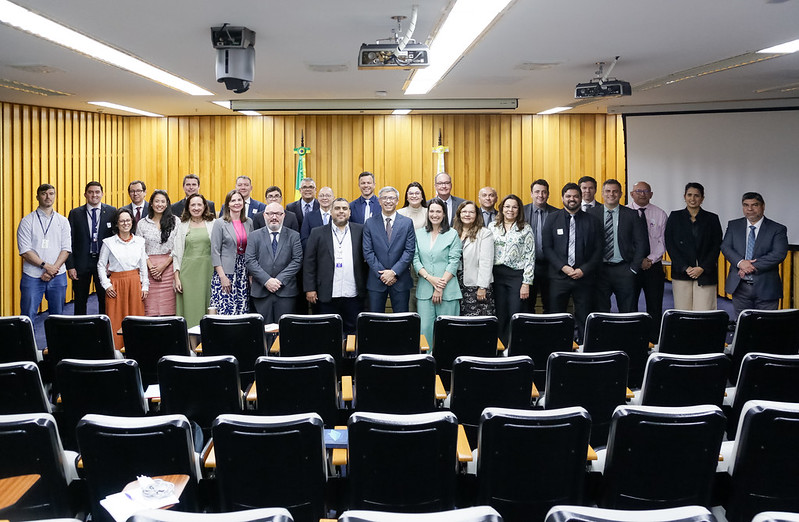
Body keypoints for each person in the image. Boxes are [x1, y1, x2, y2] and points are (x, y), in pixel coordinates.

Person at [542, 183, 603, 343]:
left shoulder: (593, 221)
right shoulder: (552, 218)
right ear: (562, 198)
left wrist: (584, 270)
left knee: (584, 315)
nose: (572, 199)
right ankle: (558, 344)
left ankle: (583, 347)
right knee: (557, 315)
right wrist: (564, 268)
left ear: (581, 198)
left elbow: (598, 250)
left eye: (576, 196)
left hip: (584, 277)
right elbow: (547, 248)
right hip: (559, 277)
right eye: (568, 196)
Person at [303, 198, 366, 335]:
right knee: (327, 333)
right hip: (326, 294)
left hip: (353, 294)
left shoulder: (360, 231)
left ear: (349, 212)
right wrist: (310, 288)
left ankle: (350, 357)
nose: (341, 211)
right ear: (331, 212)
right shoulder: (317, 232)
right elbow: (309, 262)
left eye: (344, 208)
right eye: (337, 208)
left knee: (353, 333)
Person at [721, 192, 788, 318]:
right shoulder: (734, 225)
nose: (750, 209)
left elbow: (778, 254)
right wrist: (741, 263)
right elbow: (725, 247)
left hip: (766, 288)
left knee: (766, 328)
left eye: (754, 205)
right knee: (742, 326)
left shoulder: (777, 229)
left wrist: (749, 266)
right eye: (746, 205)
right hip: (740, 287)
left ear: (763, 206)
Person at [588, 179, 649, 313]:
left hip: (624, 270)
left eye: (615, 191)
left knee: (628, 310)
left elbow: (641, 243)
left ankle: (627, 334)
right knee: (600, 310)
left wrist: (633, 268)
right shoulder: (591, 214)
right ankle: (603, 335)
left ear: (621, 194)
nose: (611, 194)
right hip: (600, 270)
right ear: (602, 194)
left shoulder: (632, 215)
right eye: (608, 191)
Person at [17, 183, 71, 324]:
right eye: (44, 194)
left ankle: (55, 346)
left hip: (57, 276)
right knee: (28, 316)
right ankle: (29, 346)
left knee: (58, 317)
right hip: (32, 275)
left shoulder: (63, 221)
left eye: (51, 193)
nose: (48, 197)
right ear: (37, 197)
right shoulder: (27, 221)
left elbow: (66, 249)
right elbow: (25, 251)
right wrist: (47, 267)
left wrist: (53, 270)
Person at [664, 182, 723, 311]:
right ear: (684, 196)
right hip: (682, 272)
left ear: (702, 198)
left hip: (705, 272)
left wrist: (702, 268)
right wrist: (685, 267)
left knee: (705, 310)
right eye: (689, 195)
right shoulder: (675, 217)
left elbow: (716, 246)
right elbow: (670, 245)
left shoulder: (712, 218)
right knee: (682, 310)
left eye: (697, 195)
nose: (693, 198)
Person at [97, 208, 149, 350]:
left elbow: (143, 266)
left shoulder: (140, 241)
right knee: (115, 319)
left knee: (136, 319)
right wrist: (106, 285)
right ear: (117, 224)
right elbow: (101, 265)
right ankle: (117, 352)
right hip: (116, 285)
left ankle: (137, 350)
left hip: (134, 283)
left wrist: (145, 286)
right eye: (122, 221)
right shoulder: (108, 242)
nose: (125, 223)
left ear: (132, 222)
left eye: (128, 220)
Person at [413, 199, 463, 348]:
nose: (435, 215)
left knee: (448, 331)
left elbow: (454, 261)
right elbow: (415, 260)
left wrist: (439, 286)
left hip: (448, 290)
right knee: (425, 330)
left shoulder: (452, 234)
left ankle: (447, 366)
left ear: (444, 214)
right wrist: (429, 278)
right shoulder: (419, 233)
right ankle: (426, 365)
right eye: (432, 211)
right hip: (424, 290)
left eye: (438, 211)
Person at [489, 194, 535, 347]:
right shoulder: (492, 227)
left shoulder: (525, 228)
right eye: (507, 206)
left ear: (519, 210)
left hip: (516, 276)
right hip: (497, 275)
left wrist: (526, 282)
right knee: (500, 313)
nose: (510, 210)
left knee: (515, 311)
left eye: (514, 207)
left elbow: (530, 256)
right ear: (501, 208)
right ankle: (501, 347)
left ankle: (515, 346)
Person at [245, 202, 303, 323]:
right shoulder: (254, 236)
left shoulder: (294, 236)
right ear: (264, 216)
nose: (274, 217)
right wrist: (267, 280)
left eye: (278, 213)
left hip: (286, 292)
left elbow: (297, 260)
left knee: (284, 330)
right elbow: (250, 260)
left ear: (284, 216)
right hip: (261, 291)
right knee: (263, 331)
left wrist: (279, 280)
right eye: (270, 214)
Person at [363, 186, 417, 313]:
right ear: (379, 201)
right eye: (385, 198)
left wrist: (393, 272)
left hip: (400, 279)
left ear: (397, 201)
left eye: (392, 198)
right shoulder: (369, 223)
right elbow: (368, 251)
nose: (388, 201)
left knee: (402, 321)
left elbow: (409, 251)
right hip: (376, 280)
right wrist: (383, 274)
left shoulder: (407, 223)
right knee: (375, 321)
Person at [66, 181, 116, 315]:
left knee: (104, 299)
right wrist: (70, 266)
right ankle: (80, 331)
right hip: (81, 263)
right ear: (85, 194)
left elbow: (115, 240)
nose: (94, 195)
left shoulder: (112, 212)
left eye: (97, 192)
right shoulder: (75, 213)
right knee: (80, 300)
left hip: (103, 263)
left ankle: (103, 331)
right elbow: (68, 240)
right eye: (91, 192)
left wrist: (112, 263)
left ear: (102, 194)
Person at [627, 181, 668, 342]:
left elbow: (663, 241)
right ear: (632, 194)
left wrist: (649, 260)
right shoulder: (624, 212)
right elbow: (624, 242)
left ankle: (654, 339)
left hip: (653, 266)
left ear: (651, 194)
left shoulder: (660, 214)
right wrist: (637, 261)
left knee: (655, 305)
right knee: (630, 305)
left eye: (646, 191)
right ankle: (634, 337)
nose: (642, 194)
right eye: (638, 191)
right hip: (631, 266)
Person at [173, 194, 216, 328]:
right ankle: (191, 347)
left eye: (199, 205)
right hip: (188, 274)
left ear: (205, 207)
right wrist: (177, 278)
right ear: (188, 207)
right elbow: (176, 253)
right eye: (193, 205)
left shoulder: (213, 223)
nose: (196, 208)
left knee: (209, 308)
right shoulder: (181, 226)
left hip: (208, 272)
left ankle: (208, 344)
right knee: (190, 309)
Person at [135, 190, 179, 316]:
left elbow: (178, 247)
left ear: (167, 204)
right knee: (150, 307)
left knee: (169, 307)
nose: (160, 204)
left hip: (169, 268)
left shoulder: (175, 221)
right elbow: (140, 248)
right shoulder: (142, 223)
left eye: (163, 201)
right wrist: (151, 267)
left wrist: (163, 266)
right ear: (151, 204)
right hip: (148, 269)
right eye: (157, 201)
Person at [210, 189, 253, 315]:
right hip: (226, 271)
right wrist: (222, 276)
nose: (237, 203)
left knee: (242, 307)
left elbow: (252, 248)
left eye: (239, 200)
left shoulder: (248, 222)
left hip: (243, 270)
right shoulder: (220, 223)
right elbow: (215, 251)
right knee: (226, 306)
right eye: (233, 200)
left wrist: (251, 274)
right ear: (227, 204)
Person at [453, 200, 495, 317]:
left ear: (477, 215)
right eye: (464, 211)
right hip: (456, 284)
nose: (467, 214)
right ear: (459, 214)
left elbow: (486, 262)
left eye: (471, 212)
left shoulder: (484, 233)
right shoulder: (453, 233)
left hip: (476, 284)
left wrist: (482, 287)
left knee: (477, 322)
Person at [523, 179, 558, 313]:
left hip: (550, 267)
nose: (540, 195)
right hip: (527, 267)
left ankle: (548, 333)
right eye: (537, 192)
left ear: (548, 194)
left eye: (544, 192)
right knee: (527, 304)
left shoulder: (556, 213)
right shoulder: (522, 212)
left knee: (550, 304)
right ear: (531, 193)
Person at [398, 182, 428, 312]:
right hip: (403, 261)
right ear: (406, 196)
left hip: (424, 261)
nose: (414, 195)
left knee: (422, 292)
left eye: (417, 193)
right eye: (411, 193)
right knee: (407, 295)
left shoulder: (430, 212)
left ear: (422, 196)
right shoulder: (399, 213)